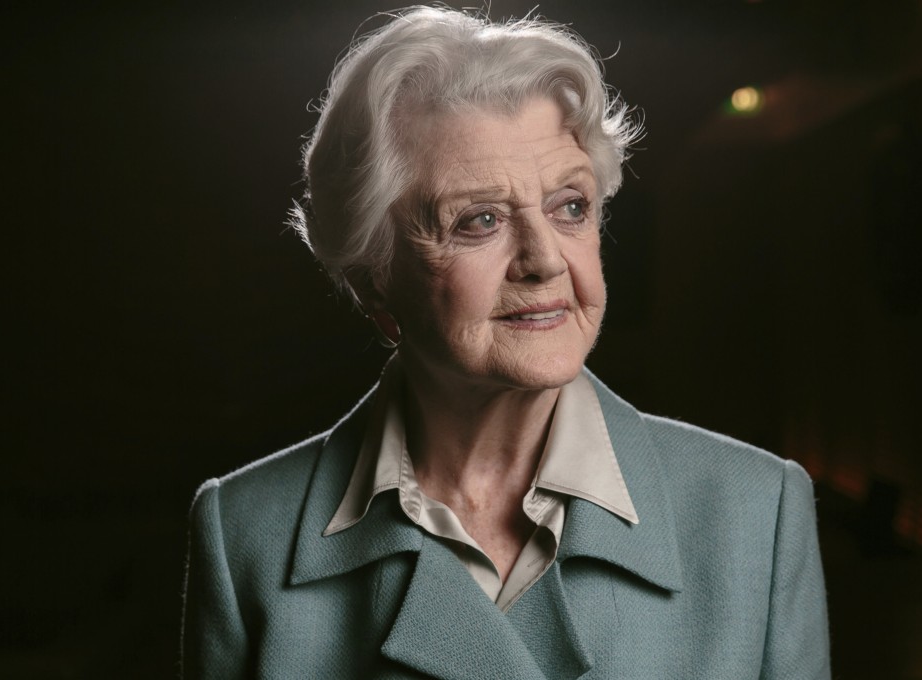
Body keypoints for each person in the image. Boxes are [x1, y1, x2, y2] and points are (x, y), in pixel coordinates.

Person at [181, 6, 830, 679]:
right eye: (479, 220)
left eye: (570, 206)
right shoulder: (244, 536)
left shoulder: (758, 514)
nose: (545, 260)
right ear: (375, 283)